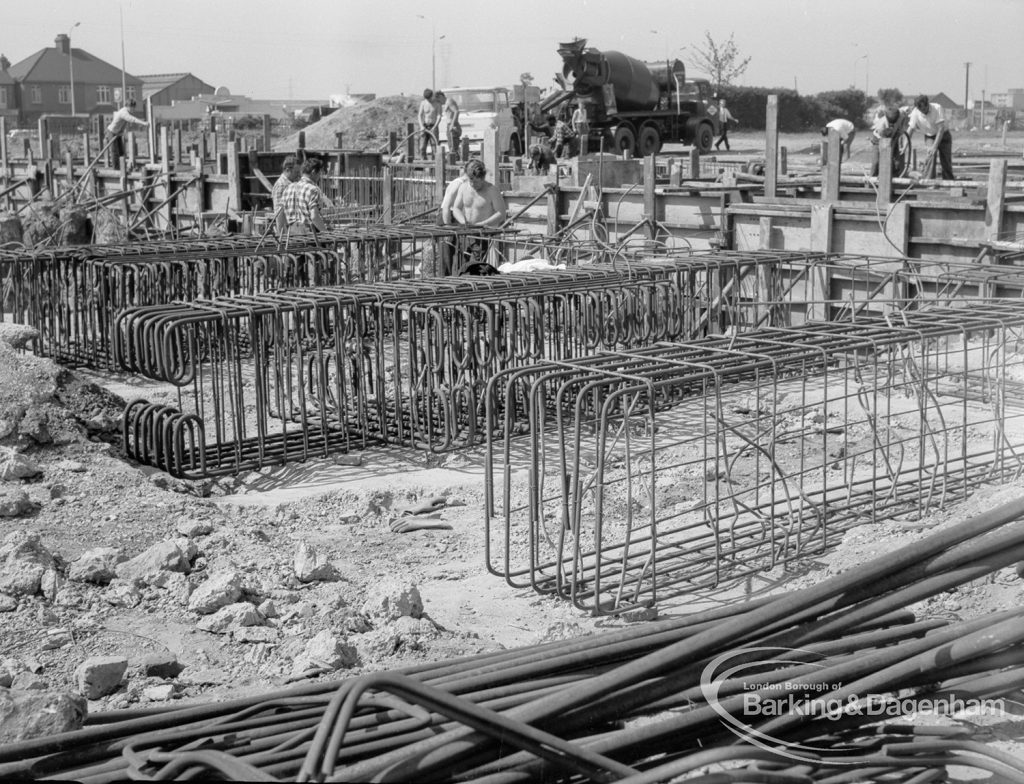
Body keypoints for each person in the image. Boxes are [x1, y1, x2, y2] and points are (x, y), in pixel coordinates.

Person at [450, 159, 507, 274]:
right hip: (465, 233)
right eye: (471, 181)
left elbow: (501, 213)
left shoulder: (492, 190)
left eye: (476, 182)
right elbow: (456, 208)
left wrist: (482, 224)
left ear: (482, 177)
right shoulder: (463, 187)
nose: (473, 185)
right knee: (459, 265)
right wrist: (463, 221)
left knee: (476, 268)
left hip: (481, 236)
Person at [906, 94, 954, 180]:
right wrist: (905, 144)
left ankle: (948, 182)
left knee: (946, 160)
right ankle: (929, 182)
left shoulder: (937, 108)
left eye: (924, 109)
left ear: (927, 104)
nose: (923, 111)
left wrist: (935, 146)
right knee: (930, 156)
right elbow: (910, 130)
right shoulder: (915, 113)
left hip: (943, 135)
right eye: (920, 110)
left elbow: (941, 129)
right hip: (930, 136)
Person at [282, 158, 327, 234]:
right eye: (319, 173)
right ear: (313, 172)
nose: (319, 177)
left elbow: (281, 214)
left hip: (292, 235)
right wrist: (326, 233)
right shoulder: (313, 190)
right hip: (309, 236)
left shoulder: (288, 188)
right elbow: (314, 217)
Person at [106, 99, 149, 165]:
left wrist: (121, 132)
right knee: (114, 151)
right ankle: (116, 168)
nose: (134, 109)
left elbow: (123, 124)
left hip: (117, 133)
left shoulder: (126, 111)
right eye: (133, 108)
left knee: (121, 151)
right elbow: (133, 119)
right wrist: (144, 123)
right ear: (129, 106)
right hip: (112, 132)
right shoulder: (124, 113)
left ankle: (122, 166)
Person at [869, 106, 909, 177]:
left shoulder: (900, 116)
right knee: (876, 162)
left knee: (897, 163)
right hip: (879, 140)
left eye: (894, 123)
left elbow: (902, 129)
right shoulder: (881, 125)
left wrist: (900, 132)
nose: (892, 125)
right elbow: (883, 145)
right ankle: (872, 180)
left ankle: (895, 179)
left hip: (894, 137)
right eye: (890, 123)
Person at [271, 155, 301, 234]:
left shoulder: (292, 183)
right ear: (288, 170)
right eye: (296, 172)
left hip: (294, 228)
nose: (298, 175)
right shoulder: (281, 185)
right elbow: (279, 212)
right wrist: (281, 235)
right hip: (287, 232)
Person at [437, 91, 462, 161]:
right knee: (451, 145)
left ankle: (455, 163)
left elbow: (456, 111)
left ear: (441, 97)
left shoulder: (449, 101)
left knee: (453, 147)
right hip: (449, 125)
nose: (439, 102)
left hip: (453, 126)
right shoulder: (446, 103)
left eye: (438, 100)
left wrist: (452, 124)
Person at [417, 88, 440, 160]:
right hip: (424, 127)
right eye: (427, 99)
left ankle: (434, 167)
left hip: (433, 126)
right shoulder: (423, 103)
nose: (429, 100)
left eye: (430, 98)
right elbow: (420, 115)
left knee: (434, 148)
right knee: (422, 147)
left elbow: (439, 115)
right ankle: (423, 163)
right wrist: (421, 126)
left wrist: (435, 126)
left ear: (432, 96)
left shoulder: (437, 104)